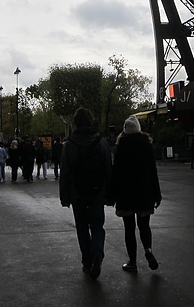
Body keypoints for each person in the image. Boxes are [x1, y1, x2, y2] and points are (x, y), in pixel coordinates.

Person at [60, 107, 112, 280]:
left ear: (75, 123)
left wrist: (65, 196)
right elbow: (108, 169)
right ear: (91, 121)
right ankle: (97, 251)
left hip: (77, 192)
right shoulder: (101, 142)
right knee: (97, 226)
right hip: (97, 191)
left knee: (82, 227)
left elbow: (65, 172)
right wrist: (110, 193)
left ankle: (87, 261)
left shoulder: (69, 145)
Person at [106, 116, 161, 272]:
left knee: (129, 229)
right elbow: (152, 172)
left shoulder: (121, 147)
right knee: (144, 225)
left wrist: (111, 196)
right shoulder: (147, 145)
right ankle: (148, 250)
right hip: (144, 192)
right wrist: (157, 194)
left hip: (126, 194)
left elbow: (116, 173)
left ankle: (132, 262)